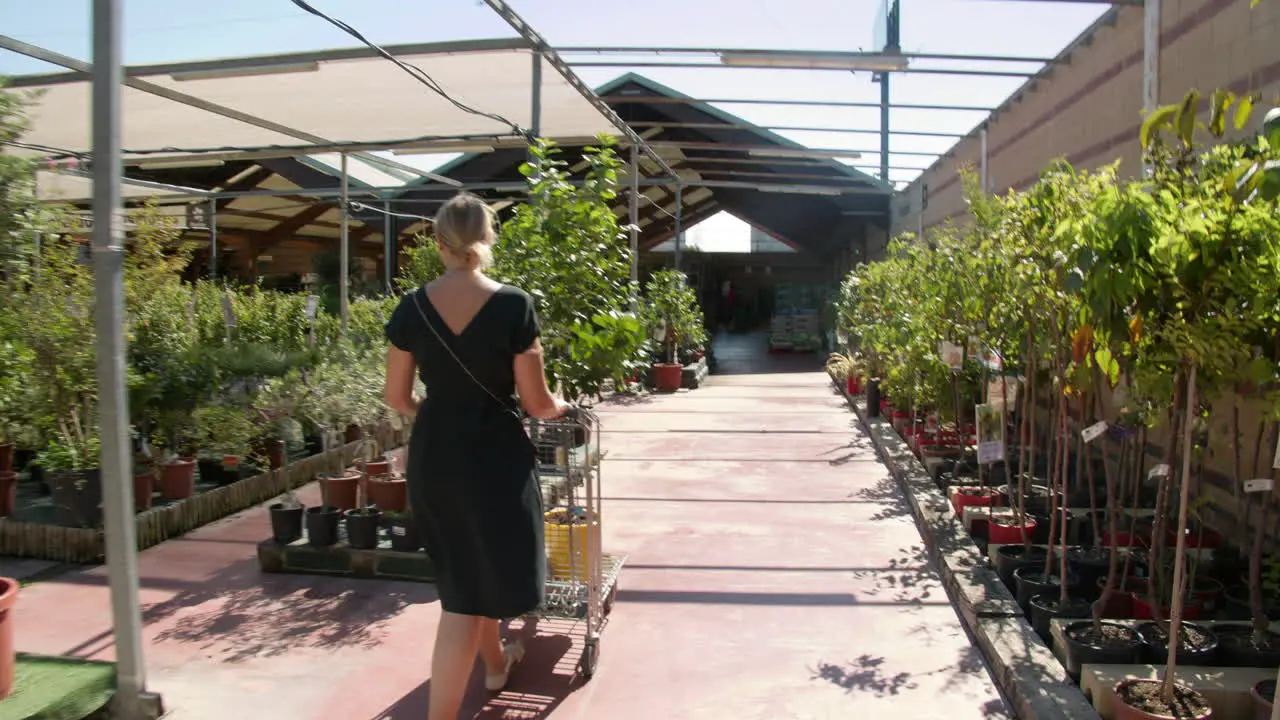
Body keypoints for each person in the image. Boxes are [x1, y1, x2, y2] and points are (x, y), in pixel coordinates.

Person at [383, 191, 571, 720]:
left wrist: (440, 413)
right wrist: (562, 404)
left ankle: (495, 665)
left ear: (438, 242)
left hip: (436, 457)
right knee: (464, 601)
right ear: (488, 239)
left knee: (468, 571)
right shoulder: (514, 305)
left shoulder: (412, 307)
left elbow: (396, 398)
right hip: (495, 458)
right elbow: (536, 403)